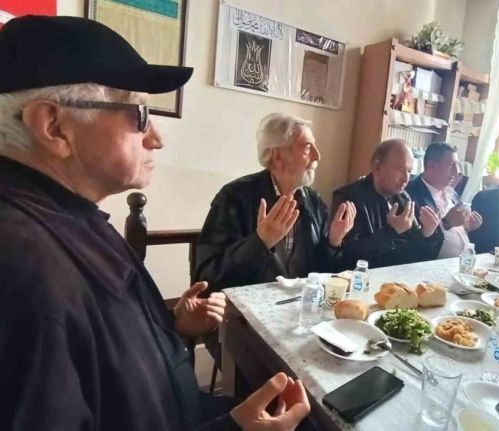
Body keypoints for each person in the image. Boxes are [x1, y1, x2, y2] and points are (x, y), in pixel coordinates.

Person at [0, 16, 309, 431]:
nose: (157, 138)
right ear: (54, 126)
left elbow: (104, 371)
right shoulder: (22, 266)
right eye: (140, 114)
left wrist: (168, 326)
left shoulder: (71, 215)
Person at [195, 113, 356, 289]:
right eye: (307, 148)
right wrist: (260, 242)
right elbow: (208, 275)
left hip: (301, 303)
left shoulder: (313, 201)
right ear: (278, 156)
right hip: (249, 305)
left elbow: (322, 274)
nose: (317, 156)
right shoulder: (234, 197)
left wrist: (333, 242)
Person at [332, 139, 443, 268]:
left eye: (409, 171)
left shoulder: (403, 197)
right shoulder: (349, 198)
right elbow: (347, 257)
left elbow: (416, 255)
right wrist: (391, 231)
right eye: (400, 169)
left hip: (399, 276)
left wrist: (427, 234)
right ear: (377, 167)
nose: (406, 179)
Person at [406, 142, 483, 258]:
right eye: (451, 165)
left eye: (457, 165)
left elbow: (452, 231)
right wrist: (446, 223)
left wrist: (467, 227)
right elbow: (413, 244)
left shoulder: (450, 192)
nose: (457, 171)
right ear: (432, 165)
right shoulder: (410, 194)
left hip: (460, 262)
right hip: (431, 265)